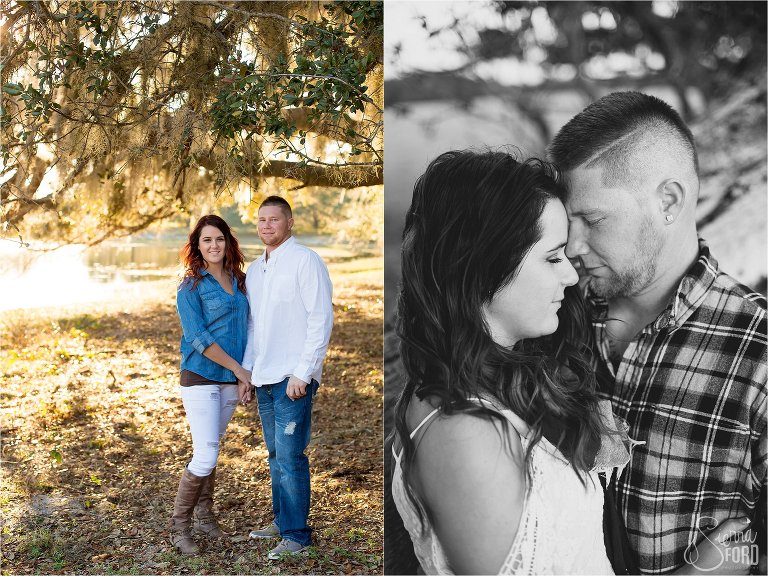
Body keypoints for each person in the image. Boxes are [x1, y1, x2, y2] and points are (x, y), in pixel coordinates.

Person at [548, 91, 767, 575]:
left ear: (669, 201)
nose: (573, 246)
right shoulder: (548, 316)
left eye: (593, 220)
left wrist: (730, 563)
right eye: (568, 222)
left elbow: (761, 552)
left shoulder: (759, 351)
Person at [391, 149, 634, 575]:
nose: (570, 276)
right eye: (552, 257)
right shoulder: (465, 434)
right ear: (484, 267)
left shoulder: (493, 385)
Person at [242, 195, 334, 560]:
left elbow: (320, 318)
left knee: (291, 456)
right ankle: (282, 522)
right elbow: (253, 327)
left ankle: (297, 536)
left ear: (289, 222)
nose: (267, 225)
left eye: (274, 219)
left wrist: (304, 372)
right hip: (264, 376)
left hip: (292, 378)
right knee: (275, 454)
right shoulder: (255, 270)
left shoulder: (305, 261)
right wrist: (247, 373)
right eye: (261, 220)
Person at [171, 214, 253, 555]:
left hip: (231, 380)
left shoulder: (240, 280)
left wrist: (244, 373)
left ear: (227, 242)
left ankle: (205, 517)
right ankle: (179, 528)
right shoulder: (189, 286)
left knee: (211, 448)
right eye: (207, 240)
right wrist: (240, 371)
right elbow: (198, 338)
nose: (214, 245)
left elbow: (249, 327)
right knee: (205, 453)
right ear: (197, 246)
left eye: (219, 238)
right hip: (200, 377)